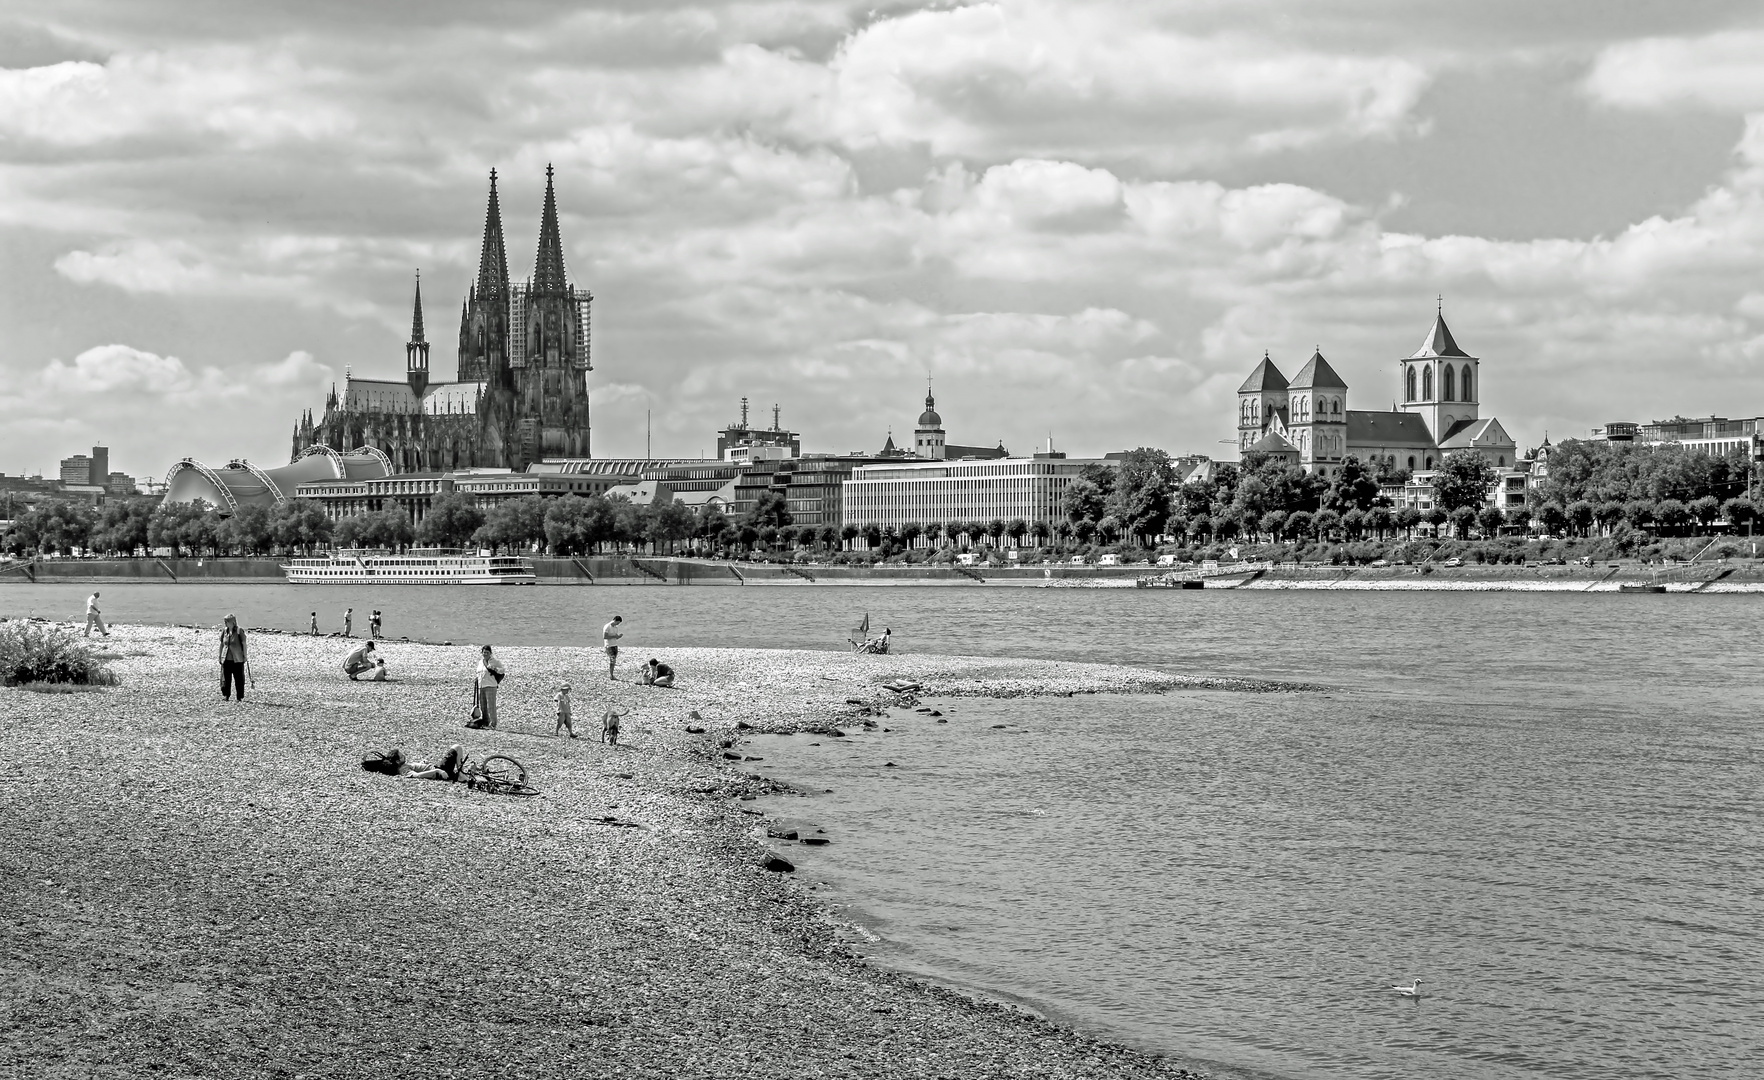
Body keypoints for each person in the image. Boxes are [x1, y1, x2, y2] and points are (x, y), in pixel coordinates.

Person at [473, 645, 506, 729]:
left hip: (491, 685)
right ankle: (485, 723)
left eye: (487, 652)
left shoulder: (495, 661)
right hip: (481, 685)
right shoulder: (480, 662)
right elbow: (479, 672)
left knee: (491, 706)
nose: (485, 654)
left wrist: (495, 669)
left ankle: (493, 724)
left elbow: (502, 670)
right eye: (484, 652)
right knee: (483, 705)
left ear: (490, 653)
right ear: (482, 653)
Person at [218, 614, 248, 701]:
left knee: (239, 679)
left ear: (233, 622)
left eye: (227, 622)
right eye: (225, 622)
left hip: (237, 659)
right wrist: (220, 656)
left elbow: (244, 643)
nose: (225, 623)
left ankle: (239, 697)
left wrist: (245, 656)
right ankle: (226, 695)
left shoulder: (239, 631)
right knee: (226, 679)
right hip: (226, 659)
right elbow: (221, 644)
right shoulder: (224, 631)